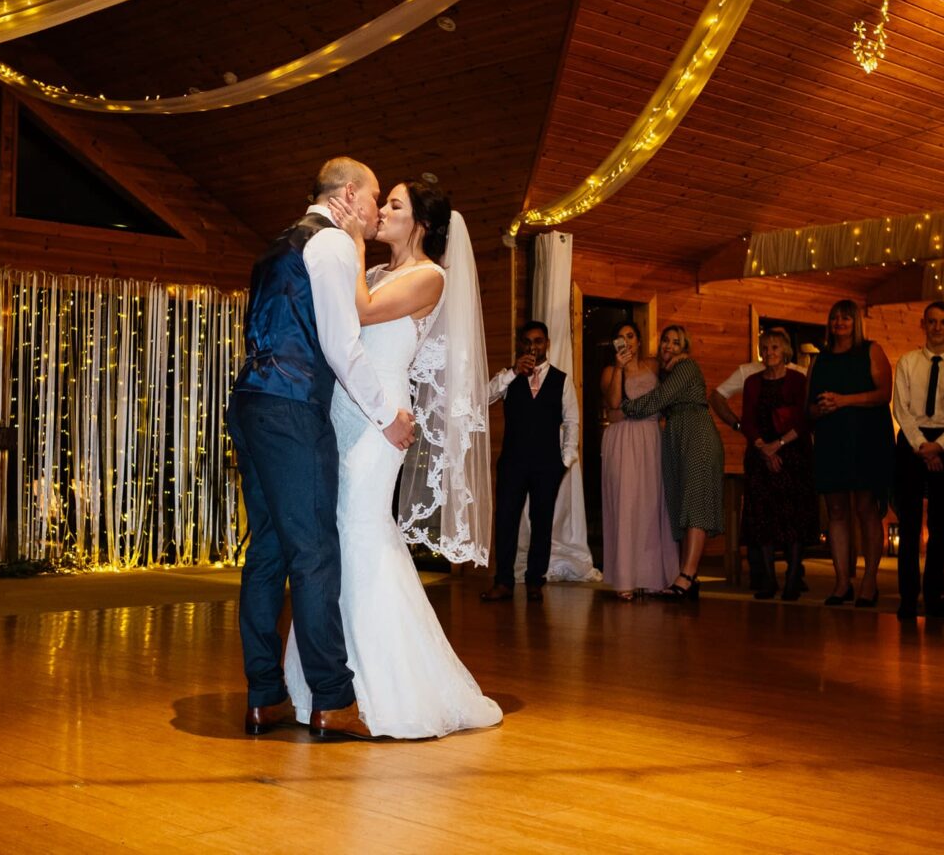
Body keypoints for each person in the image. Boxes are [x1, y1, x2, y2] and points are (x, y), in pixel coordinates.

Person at [282, 179, 502, 739]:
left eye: (394, 206)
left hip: (384, 421)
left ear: (421, 224)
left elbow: (361, 309)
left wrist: (349, 241)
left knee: (361, 529)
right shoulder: (376, 271)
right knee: (334, 532)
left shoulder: (428, 277)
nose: (380, 212)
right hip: (344, 410)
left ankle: (384, 685)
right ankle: (324, 682)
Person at [230, 157, 416, 741]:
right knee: (314, 554)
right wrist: (388, 416)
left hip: (251, 404)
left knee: (266, 553)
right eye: (374, 195)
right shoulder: (332, 245)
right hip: (290, 410)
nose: (376, 207)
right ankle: (333, 700)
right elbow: (341, 344)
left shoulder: (276, 245)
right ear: (349, 194)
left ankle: (265, 697)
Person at [620, 326, 725, 600]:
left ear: (685, 348)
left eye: (676, 343)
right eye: (665, 340)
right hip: (677, 434)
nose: (668, 346)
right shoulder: (667, 372)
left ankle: (687, 576)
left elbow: (660, 399)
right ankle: (688, 576)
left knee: (695, 504)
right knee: (681, 504)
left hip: (697, 432)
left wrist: (627, 408)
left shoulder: (687, 367)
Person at [480, 321, 579, 602]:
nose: (532, 347)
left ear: (547, 343)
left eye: (537, 341)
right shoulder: (509, 377)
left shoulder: (562, 380)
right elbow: (485, 397)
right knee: (506, 521)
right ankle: (503, 582)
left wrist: (566, 460)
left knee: (542, 521)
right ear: (521, 344)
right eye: (527, 341)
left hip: (547, 464)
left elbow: (572, 421)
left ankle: (535, 580)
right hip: (512, 462)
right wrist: (513, 371)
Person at [891, 302, 944, 620]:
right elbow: (902, 408)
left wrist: (938, 446)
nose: (938, 327)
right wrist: (921, 446)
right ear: (923, 324)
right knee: (910, 524)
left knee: (941, 524)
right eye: (932, 322)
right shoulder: (908, 362)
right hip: (912, 442)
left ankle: (934, 594)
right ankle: (908, 597)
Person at [808, 299, 893, 607]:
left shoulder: (871, 350)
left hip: (866, 437)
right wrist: (821, 408)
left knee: (866, 509)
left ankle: (869, 580)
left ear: (855, 321)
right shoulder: (820, 360)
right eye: (834, 318)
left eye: (845, 317)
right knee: (837, 511)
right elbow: (809, 407)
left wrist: (843, 400)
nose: (839, 322)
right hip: (832, 439)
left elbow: (884, 394)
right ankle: (842, 581)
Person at [599, 322, 678, 599]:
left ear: (640, 340)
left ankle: (655, 577)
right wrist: (620, 369)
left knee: (652, 504)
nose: (626, 342)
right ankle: (625, 579)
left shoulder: (654, 366)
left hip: (652, 437)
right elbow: (613, 404)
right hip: (622, 440)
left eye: (630, 336)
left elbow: (672, 391)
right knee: (627, 503)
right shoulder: (610, 371)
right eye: (620, 338)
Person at [739, 328, 818, 601]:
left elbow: (806, 418)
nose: (769, 352)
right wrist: (764, 448)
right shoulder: (752, 382)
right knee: (763, 519)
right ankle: (768, 580)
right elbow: (747, 419)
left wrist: (780, 445)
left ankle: (793, 579)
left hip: (793, 456)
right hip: (761, 456)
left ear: (785, 351)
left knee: (793, 519)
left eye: (774, 347)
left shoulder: (799, 380)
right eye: (765, 347)